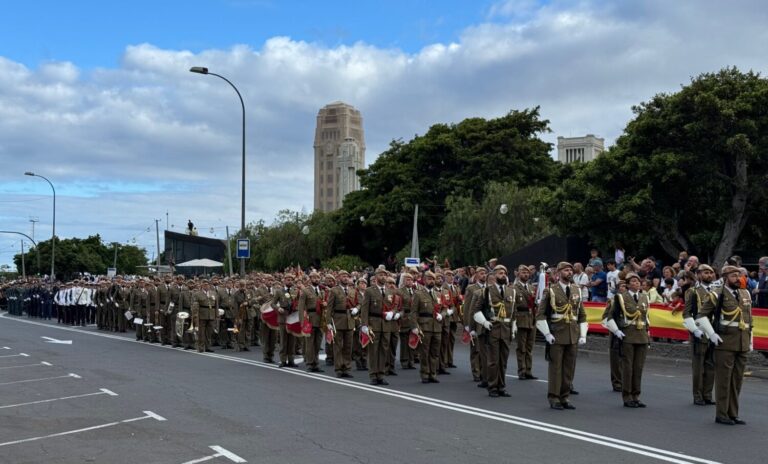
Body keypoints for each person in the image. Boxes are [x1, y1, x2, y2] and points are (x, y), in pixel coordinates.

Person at [695, 265, 753, 425]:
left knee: (737, 380)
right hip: (725, 342)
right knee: (724, 380)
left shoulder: (745, 293)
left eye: (739, 275)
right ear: (725, 277)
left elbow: (749, 320)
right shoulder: (716, 294)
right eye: (734, 276)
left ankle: (733, 413)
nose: (738, 278)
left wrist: (751, 340)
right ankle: (722, 414)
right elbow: (701, 317)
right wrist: (712, 334)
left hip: (742, 342)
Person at [536, 262, 587, 410]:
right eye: (566, 270)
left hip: (572, 335)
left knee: (569, 369)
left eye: (571, 270)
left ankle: (565, 397)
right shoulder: (550, 291)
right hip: (557, 333)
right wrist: (547, 333)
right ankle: (554, 397)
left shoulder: (576, 290)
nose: (569, 272)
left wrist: (583, 334)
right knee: (556, 368)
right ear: (558, 273)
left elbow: (582, 315)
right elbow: (540, 315)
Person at [604, 273, 650, 408]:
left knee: (638, 367)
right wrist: (617, 331)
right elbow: (610, 317)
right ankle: (627, 396)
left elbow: (646, 317)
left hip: (641, 335)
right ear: (628, 284)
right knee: (627, 367)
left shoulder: (644, 297)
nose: (636, 283)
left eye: (638, 281)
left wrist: (648, 334)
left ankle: (636, 395)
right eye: (633, 281)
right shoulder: (621, 298)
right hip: (627, 334)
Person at [471, 265, 515, 397]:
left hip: (506, 328)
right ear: (494, 276)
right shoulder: (486, 291)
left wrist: (513, 328)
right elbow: (476, 310)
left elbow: (514, 313)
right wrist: (484, 322)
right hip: (493, 328)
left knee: (503, 360)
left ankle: (502, 386)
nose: (503, 275)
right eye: (500, 273)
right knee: (493, 360)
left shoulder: (511, 292)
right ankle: (492, 387)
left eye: (505, 273)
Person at [682, 265, 716, 406]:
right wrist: (694, 329)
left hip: (714, 332)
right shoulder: (693, 291)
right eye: (706, 273)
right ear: (699, 275)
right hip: (700, 332)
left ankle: (707, 394)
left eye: (711, 273)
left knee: (711, 365)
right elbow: (687, 313)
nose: (709, 275)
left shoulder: (717, 291)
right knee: (699, 366)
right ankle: (697, 395)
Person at [360, 268, 393, 385]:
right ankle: (373, 375)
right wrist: (364, 325)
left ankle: (381, 374)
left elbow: (393, 306)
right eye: (381, 275)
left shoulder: (390, 291)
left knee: (384, 350)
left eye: (385, 275)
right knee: (373, 351)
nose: (383, 277)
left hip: (386, 325)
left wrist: (392, 313)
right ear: (376, 276)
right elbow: (364, 309)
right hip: (373, 324)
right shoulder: (369, 291)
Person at [513, 265, 537, 380]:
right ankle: (521, 370)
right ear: (518, 274)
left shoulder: (532, 288)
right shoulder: (514, 288)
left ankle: (528, 370)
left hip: (531, 318)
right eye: (523, 272)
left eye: (527, 273)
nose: (526, 274)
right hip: (521, 318)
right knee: (521, 347)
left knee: (529, 347)